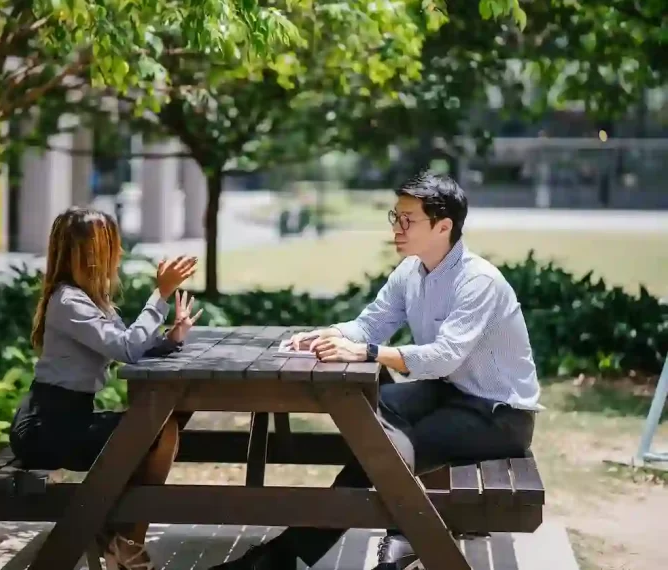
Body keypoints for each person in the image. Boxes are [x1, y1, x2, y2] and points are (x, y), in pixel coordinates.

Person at [208, 172, 541, 570]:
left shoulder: (478, 281)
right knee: (371, 414)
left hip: (497, 416)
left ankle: (293, 555)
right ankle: (396, 536)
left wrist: (366, 351)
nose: (397, 229)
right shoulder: (410, 273)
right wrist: (325, 334)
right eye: (394, 217)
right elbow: (370, 323)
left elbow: (443, 356)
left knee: (378, 451)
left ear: (443, 226)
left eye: (408, 220)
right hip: (448, 394)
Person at [9, 207, 202, 570]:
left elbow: (128, 343)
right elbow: (126, 349)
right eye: (111, 247)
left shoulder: (89, 300)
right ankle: (125, 541)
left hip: (68, 418)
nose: (118, 256)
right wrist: (159, 296)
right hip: (46, 428)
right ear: (90, 253)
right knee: (159, 430)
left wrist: (170, 339)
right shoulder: (67, 302)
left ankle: (118, 535)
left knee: (162, 426)